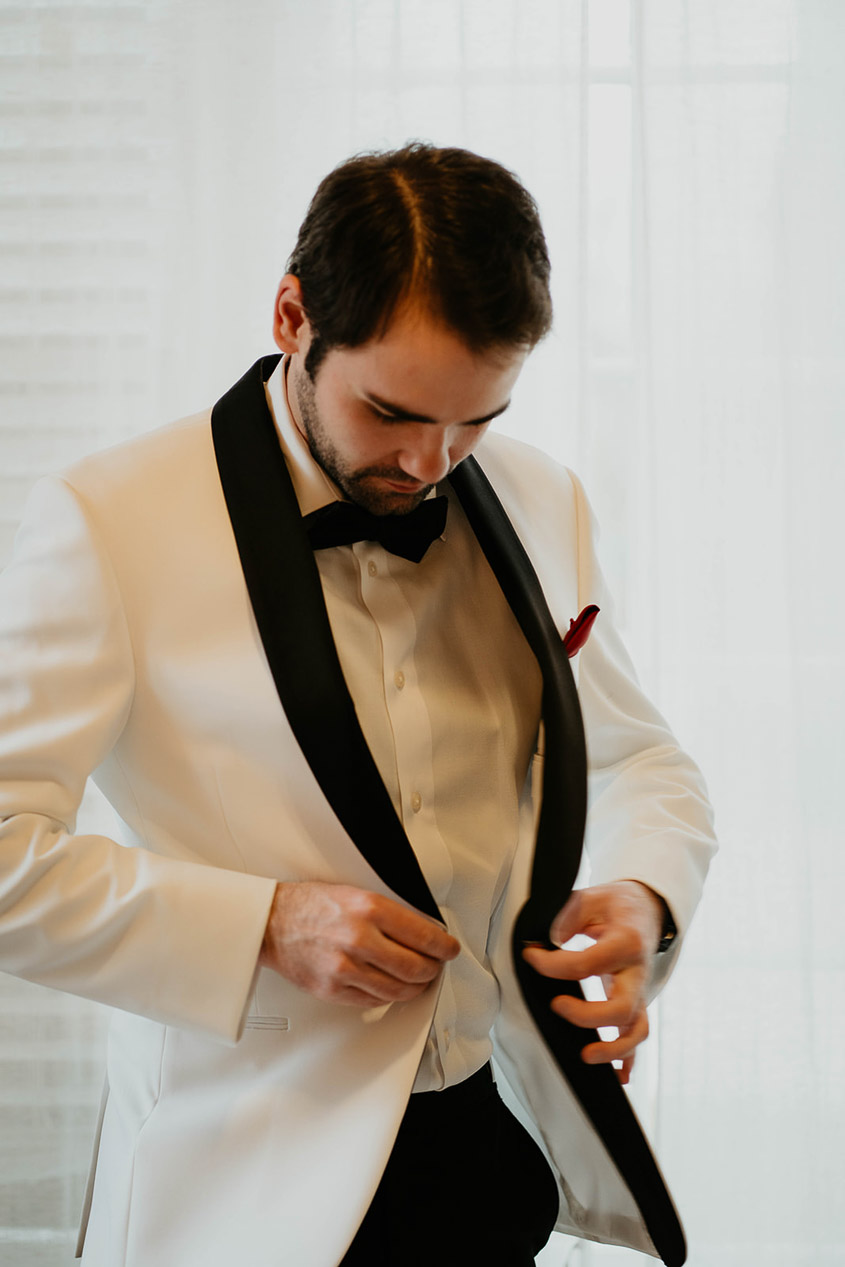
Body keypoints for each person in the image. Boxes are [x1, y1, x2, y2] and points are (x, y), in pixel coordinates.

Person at [0, 144, 716, 1267]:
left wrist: (637, 895)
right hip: (243, 1190)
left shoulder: (539, 497)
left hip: (489, 1157)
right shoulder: (106, 519)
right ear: (291, 315)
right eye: (391, 411)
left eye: (474, 420)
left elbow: (637, 761)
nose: (429, 462)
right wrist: (266, 926)